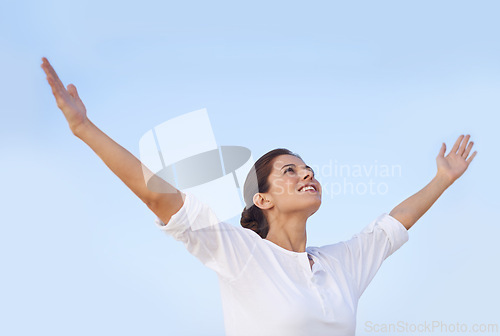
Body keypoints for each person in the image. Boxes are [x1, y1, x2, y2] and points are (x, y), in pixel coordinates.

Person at [41, 57, 477, 336]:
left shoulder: (340, 264)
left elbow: (391, 226)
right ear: (262, 199)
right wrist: (84, 129)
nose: (307, 173)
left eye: (308, 169)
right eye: (290, 170)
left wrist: (442, 179)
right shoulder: (243, 254)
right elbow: (160, 198)